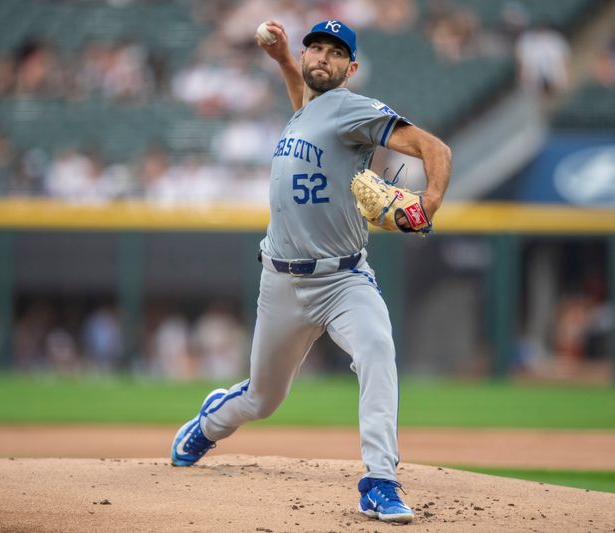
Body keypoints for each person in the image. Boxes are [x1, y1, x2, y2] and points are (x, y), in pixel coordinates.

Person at [170, 19, 451, 524]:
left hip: (343, 280)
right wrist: (281, 57)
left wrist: (429, 201)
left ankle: (380, 480)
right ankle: (211, 422)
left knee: (377, 348)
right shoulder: (309, 111)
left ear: (351, 68)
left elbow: (437, 150)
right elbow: (305, 100)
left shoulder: (352, 109)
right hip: (281, 281)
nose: (322, 56)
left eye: (335, 52)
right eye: (315, 48)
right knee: (262, 398)